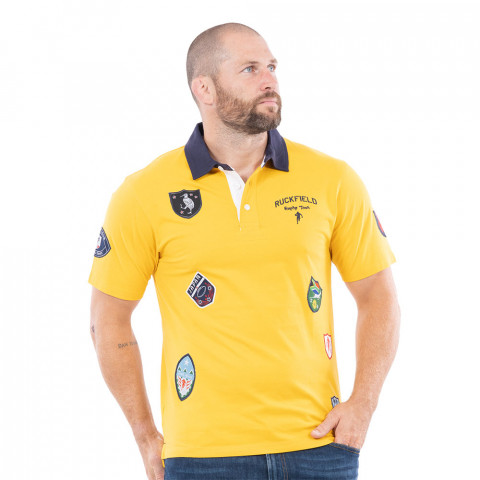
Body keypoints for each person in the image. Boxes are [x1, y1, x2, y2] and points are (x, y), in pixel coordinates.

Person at [89, 22, 401, 480]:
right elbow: (108, 318)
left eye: (272, 67)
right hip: (201, 456)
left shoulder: (332, 179)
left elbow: (378, 295)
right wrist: (144, 434)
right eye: (250, 69)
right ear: (204, 89)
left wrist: (364, 404)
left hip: (319, 447)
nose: (269, 79)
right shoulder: (143, 194)